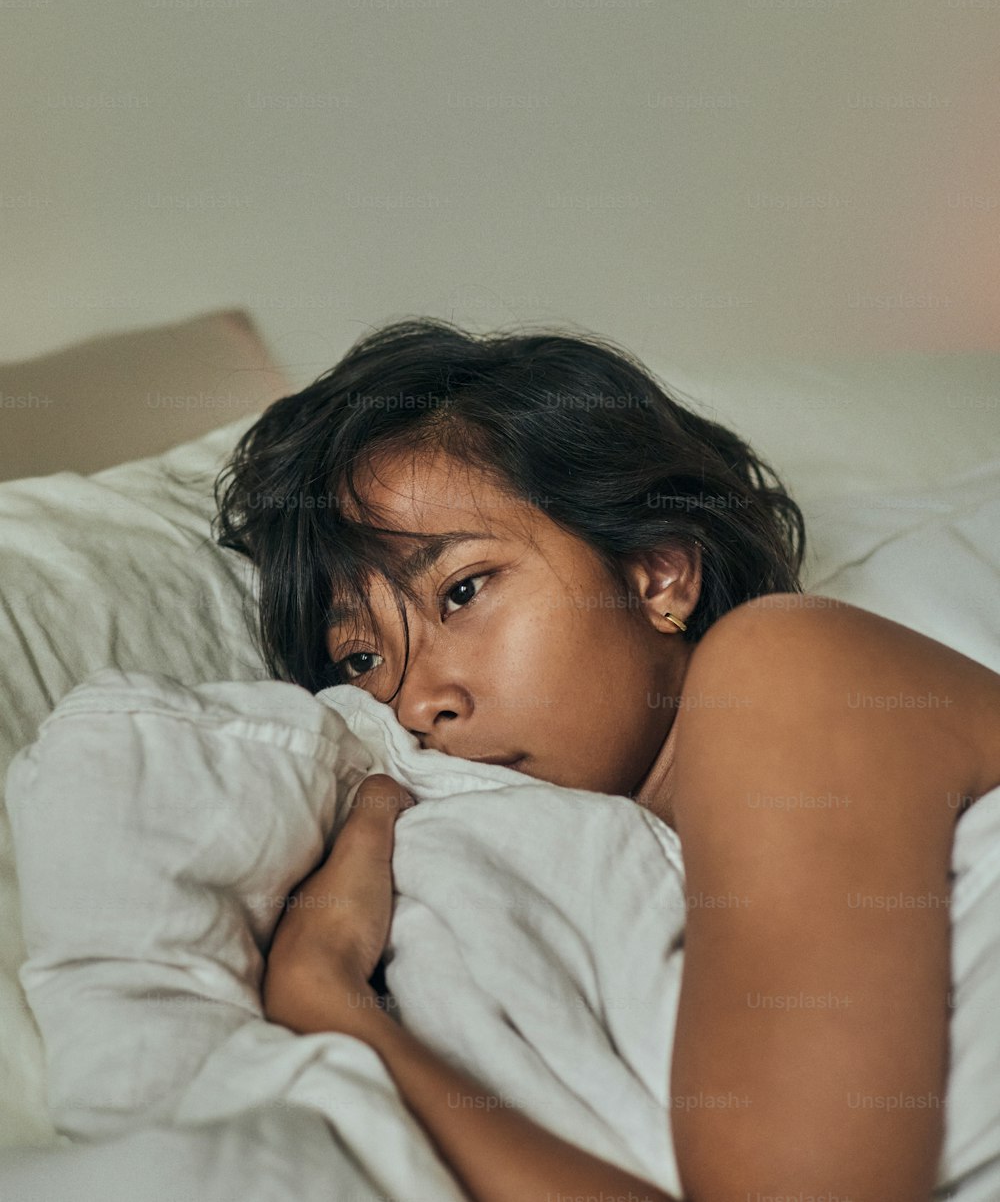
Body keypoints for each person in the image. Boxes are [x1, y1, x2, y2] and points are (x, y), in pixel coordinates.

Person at [212, 317, 1000, 1201]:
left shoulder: (786, 666)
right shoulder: (566, 886)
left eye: (462, 590)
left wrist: (327, 1007)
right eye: (362, 660)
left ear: (657, 572)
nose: (417, 699)